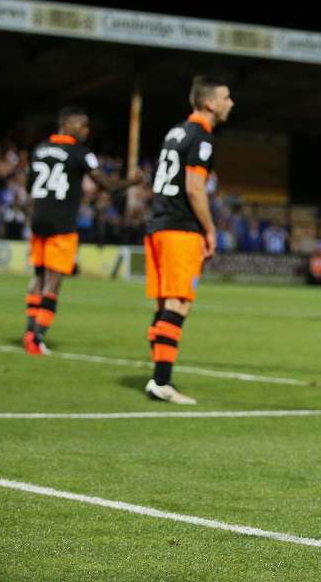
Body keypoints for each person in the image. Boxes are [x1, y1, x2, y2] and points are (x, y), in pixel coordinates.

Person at [23, 107, 143, 355]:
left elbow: (29, 186)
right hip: (61, 223)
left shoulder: (39, 149)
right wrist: (133, 180)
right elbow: (108, 185)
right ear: (68, 125)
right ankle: (37, 337)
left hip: (39, 219)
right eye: (83, 125)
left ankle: (28, 331)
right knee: (53, 282)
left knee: (38, 276)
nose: (86, 131)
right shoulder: (80, 153)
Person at [144, 75, 234, 404]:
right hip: (180, 227)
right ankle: (161, 381)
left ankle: (158, 374)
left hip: (157, 223)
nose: (230, 103)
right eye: (226, 97)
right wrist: (210, 229)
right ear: (210, 103)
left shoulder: (176, 130)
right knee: (178, 303)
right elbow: (195, 188)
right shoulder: (202, 136)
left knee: (164, 303)